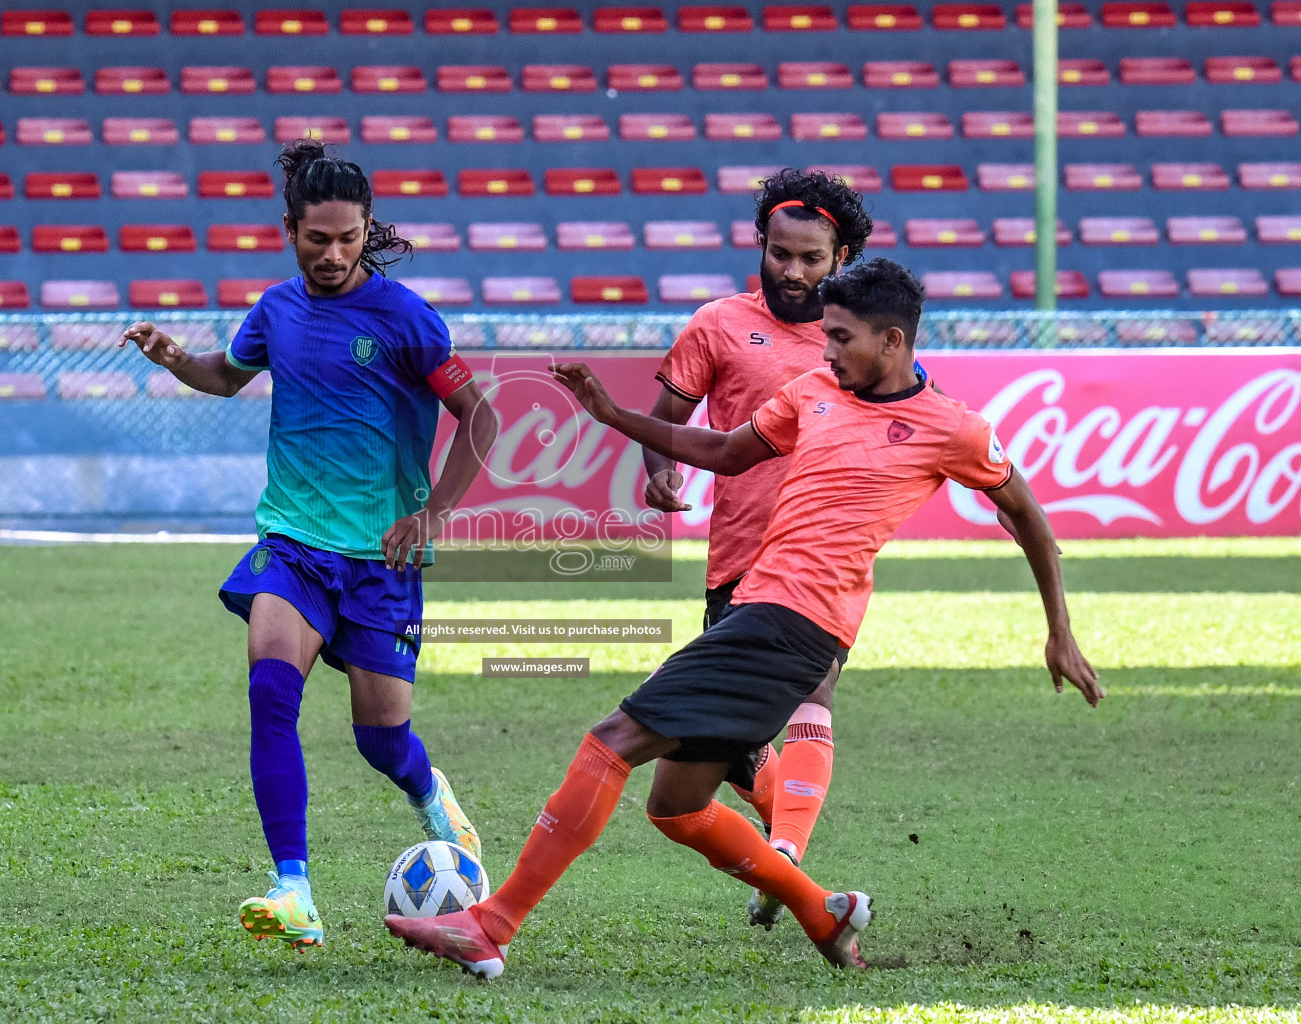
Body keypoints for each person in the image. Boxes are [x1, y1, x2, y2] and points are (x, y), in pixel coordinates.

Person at [385, 258, 1101, 978]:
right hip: (759, 607)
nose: (825, 351)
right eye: (825, 335)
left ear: (893, 342)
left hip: (798, 625)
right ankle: (824, 910)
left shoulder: (952, 429)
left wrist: (1059, 632)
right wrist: (612, 415)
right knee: (676, 805)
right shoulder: (817, 390)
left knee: (611, 742)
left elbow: (1030, 520)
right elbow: (726, 452)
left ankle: (490, 924)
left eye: (841, 338)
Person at [121, 140, 497, 951]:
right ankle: (293, 888)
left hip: (381, 561)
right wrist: (175, 358)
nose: (332, 255)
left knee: (381, 739)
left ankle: (429, 793)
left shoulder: (405, 317)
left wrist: (431, 517)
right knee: (268, 694)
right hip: (292, 543)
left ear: (369, 234)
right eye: (316, 238)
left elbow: (484, 417)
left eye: (348, 239)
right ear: (289, 229)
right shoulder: (277, 309)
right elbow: (227, 376)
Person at [640, 170, 879, 924]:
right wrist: (659, 469)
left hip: (827, 554)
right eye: (781, 254)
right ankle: (781, 837)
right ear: (762, 246)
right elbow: (669, 416)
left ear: (839, 257)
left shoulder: (861, 337)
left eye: (811, 258)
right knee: (735, 740)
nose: (794, 271)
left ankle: (787, 861)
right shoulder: (716, 324)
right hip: (739, 558)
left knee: (815, 690)